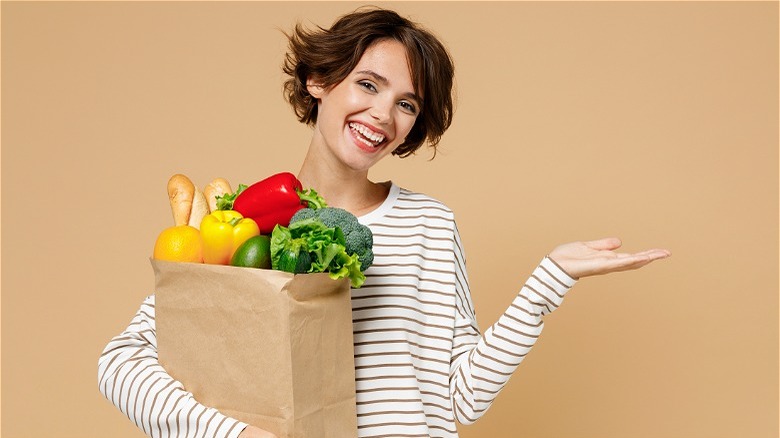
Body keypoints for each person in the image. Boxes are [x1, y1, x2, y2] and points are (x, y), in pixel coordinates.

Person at [98, 7, 670, 438]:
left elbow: (460, 398)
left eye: (407, 103)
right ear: (319, 81)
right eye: (368, 85)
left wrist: (549, 280)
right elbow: (120, 364)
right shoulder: (242, 225)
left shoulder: (430, 226)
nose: (382, 115)